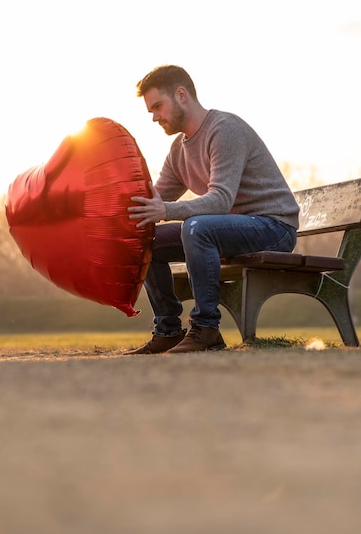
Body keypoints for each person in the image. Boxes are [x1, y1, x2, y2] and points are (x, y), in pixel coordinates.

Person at [126, 65, 299, 354]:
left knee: (197, 227)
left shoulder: (224, 130)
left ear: (181, 95)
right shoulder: (178, 151)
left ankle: (206, 329)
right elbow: (152, 201)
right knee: (147, 241)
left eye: (158, 106)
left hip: (274, 227)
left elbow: (220, 200)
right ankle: (168, 330)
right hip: (230, 230)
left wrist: (165, 210)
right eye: (151, 111)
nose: (155, 117)